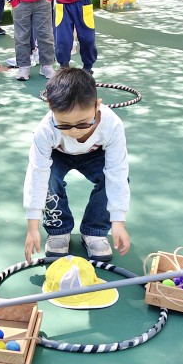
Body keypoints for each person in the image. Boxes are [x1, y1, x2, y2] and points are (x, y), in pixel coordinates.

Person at [23, 67, 130, 262]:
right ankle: (58, 229)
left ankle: (95, 230)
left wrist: (118, 221)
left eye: (82, 123)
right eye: (64, 125)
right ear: (50, 107)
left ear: (97, 105)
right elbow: (36, 174)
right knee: (48, 179)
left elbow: (117, 172)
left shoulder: (112, 125)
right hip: (58, 154)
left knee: (110, 178)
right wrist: (32, 227)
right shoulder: (45, 130)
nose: (74, 131)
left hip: (95, 154)